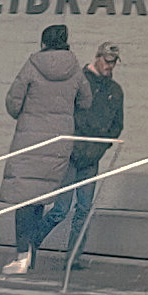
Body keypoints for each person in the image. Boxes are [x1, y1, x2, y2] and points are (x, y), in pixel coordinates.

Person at [0, 24, 89, 273]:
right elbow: (86, 100)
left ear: (43, 43)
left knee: (23, 200)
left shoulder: (33, 64)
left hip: (29, 142)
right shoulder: (74, 69)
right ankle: (30, 258)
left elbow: (13, 103)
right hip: (57, 144)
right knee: (39, 199)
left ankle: (21, 257)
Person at [48, 42, 127, 272]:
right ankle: (32, 242)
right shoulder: (80, 81)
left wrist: (101, 147)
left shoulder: (115, 91)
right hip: (72, 154)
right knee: (60, 209)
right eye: (107, 61)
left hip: (91, 157)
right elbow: (65, 113)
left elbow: (117, 125)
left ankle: (73, 258)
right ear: (98, 57)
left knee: (83, 209)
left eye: (113, 62)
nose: (110, 66)